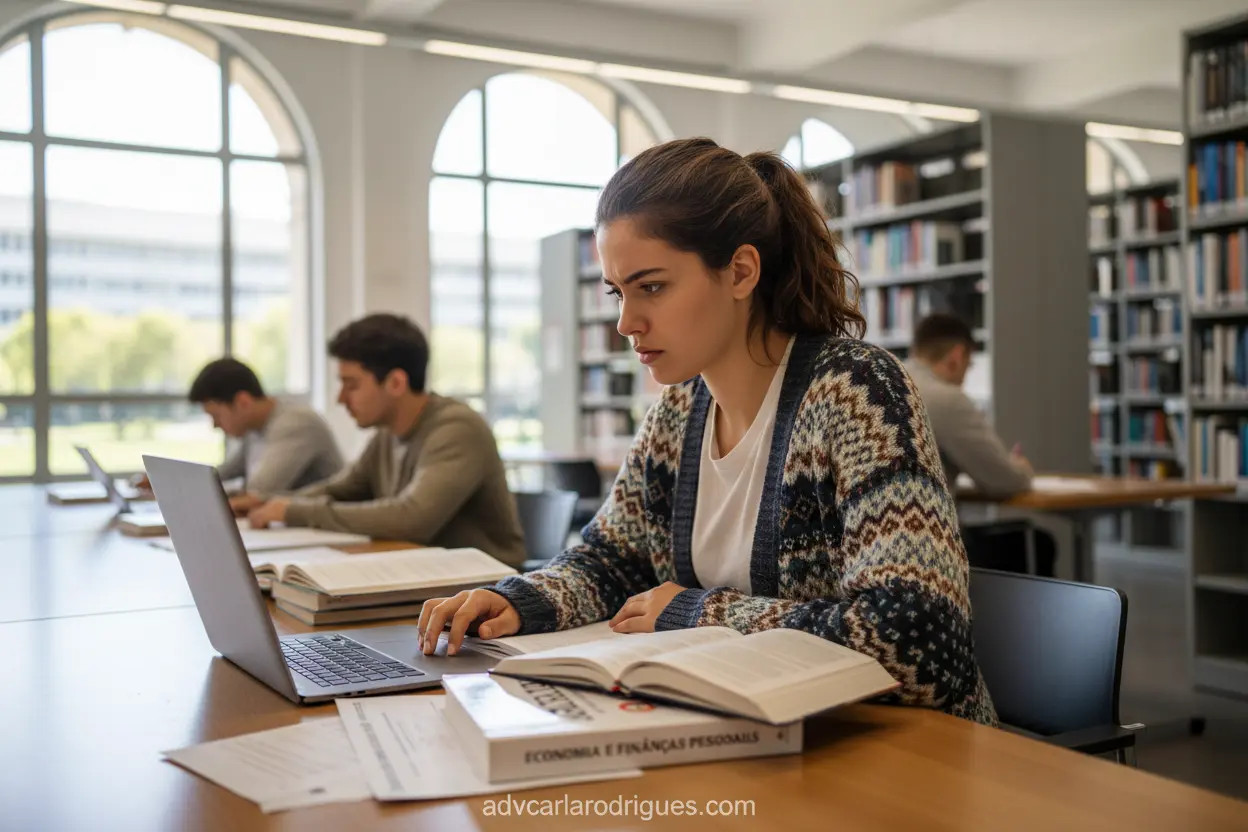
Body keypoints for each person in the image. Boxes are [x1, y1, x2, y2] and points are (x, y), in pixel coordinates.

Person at [418, 137, 997, 726]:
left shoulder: (857, 391)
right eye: (619, 293)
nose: (626, 323)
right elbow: (610, 561)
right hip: (754, 734)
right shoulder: (678, 410)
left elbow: (921, 641)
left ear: (741, 271)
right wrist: (517, 600)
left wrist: (699, 613)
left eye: (652, 286)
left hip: (906, 753)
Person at [245, 313, 527, 567]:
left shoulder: (458, 428)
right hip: (420, 572)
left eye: (351, 384)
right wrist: (271, 503)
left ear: (395, 383)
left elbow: (412, 519)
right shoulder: (386, 433)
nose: (340, 399)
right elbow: (341, 489)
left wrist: (292, 511)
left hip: (483, 592)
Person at [904, 313, 1056, 576]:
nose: (965, 374)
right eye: (969, 365)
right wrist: (1021, 467)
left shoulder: (888, 382)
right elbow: (1006, 480)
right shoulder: (946, 399)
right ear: (957, 355)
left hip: (876, 546)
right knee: (1040, 543)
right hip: (931, 551)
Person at [135, 358, 343, 511]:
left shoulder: (296, 424)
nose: (215, 426)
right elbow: (223, 473)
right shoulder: (254, 428)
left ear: (242, 402)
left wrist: (184, 497)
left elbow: (259, 493)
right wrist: (170, 482)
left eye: (216, 415)